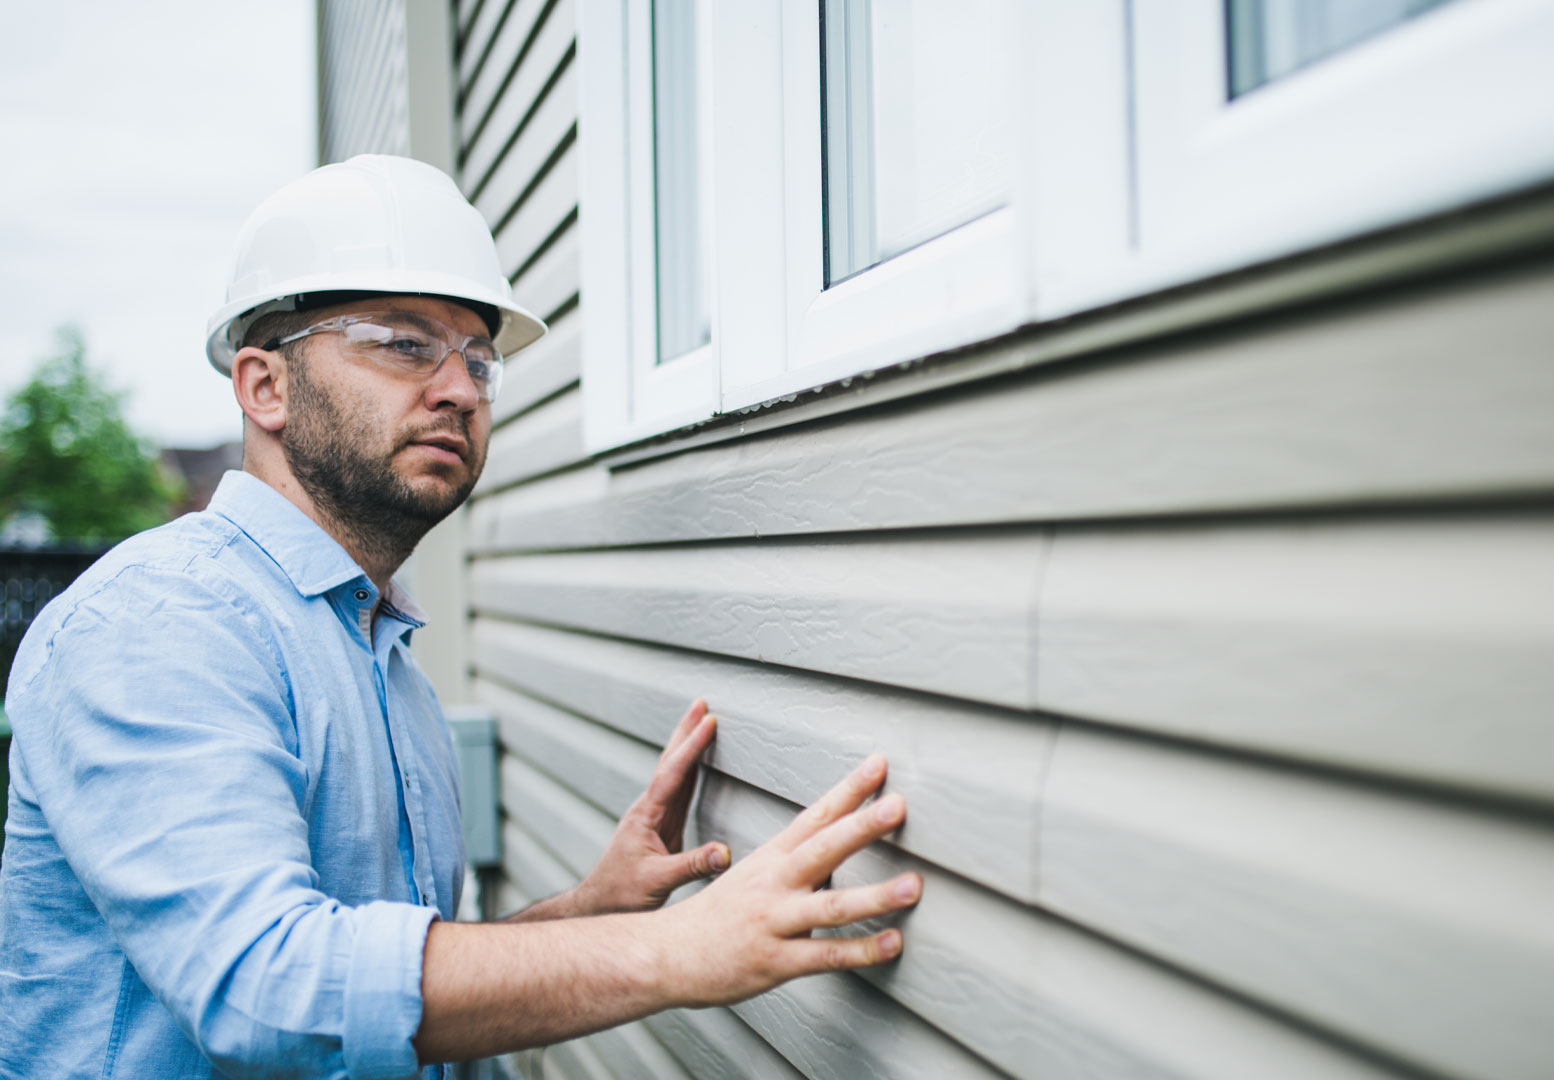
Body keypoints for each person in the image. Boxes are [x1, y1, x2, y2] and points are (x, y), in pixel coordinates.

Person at [0, 155, 921, 1078]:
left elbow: (393, 998)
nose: (461, 390)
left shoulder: (379, 654)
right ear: (263, 386)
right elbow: (267, 986)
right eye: (404, 344)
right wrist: (672, 954)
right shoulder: (158, 624)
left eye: (479, 359)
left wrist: (590, 914)